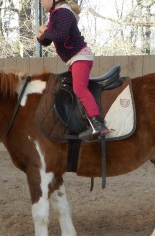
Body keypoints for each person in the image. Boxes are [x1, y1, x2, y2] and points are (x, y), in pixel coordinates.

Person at [37, 0, 110, 139]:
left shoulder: (63, 12)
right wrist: (40, 37)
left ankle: (98, 122)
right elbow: (49, 40)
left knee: (79, 88)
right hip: (75, 60)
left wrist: (44, 30)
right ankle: (79, 122)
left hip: (80, 58)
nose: (41, 2)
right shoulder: (56, 14)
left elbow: (59, 35)